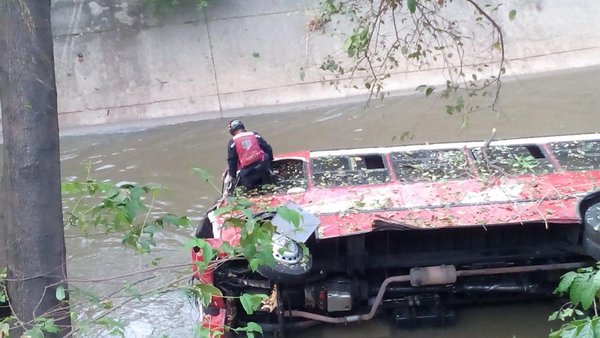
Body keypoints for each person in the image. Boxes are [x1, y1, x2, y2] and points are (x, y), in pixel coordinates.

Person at [226, 119, 274, 193]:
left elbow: (232, 161)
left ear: (232, 131)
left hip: (248, 173)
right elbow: (268, 149)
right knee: (270, 188)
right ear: (243, 128)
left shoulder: (232, 143)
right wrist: (270, 163)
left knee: (250, 193)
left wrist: (232, 177)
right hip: (263, 167)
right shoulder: (255, 135)